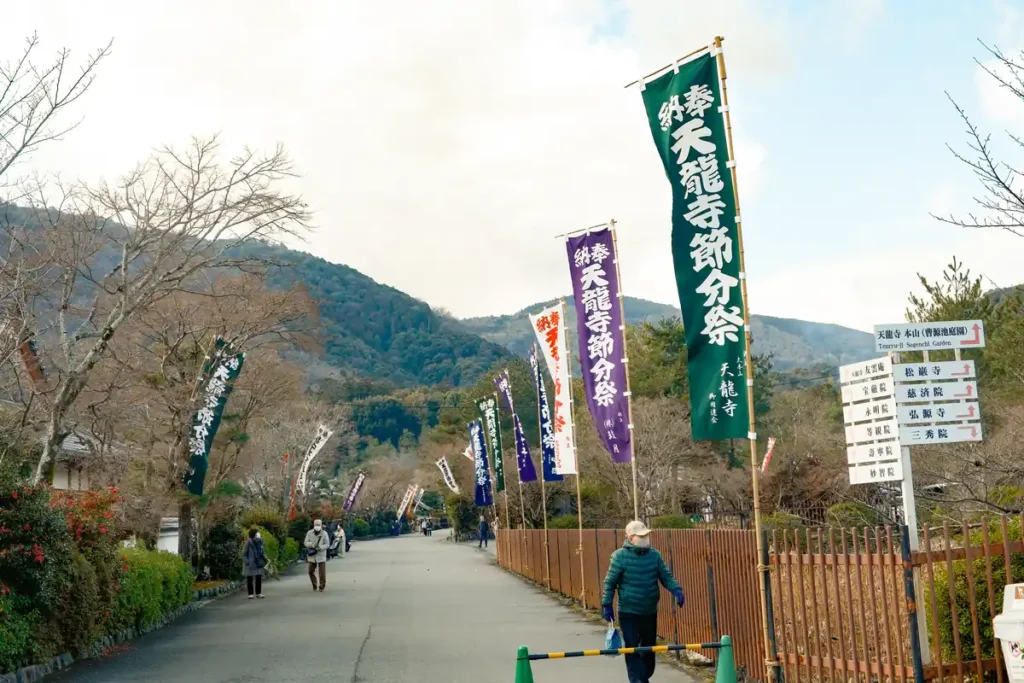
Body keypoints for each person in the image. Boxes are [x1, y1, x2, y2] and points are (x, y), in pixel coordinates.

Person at [601, 520, 685, 683]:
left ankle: (643, 676)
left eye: (646, 535)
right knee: (632, 649)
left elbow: (665, 576)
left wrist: (676, 590)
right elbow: (610, 582)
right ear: (630, 538)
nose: (645, 538)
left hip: (649, 611)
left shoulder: (655, 555)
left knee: (648, 650)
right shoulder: (619, 556)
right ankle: (637, 680)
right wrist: (607, 604)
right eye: (641, 535)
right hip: (628, 612)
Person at [304, 519, 329, 591]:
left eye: (319, 525)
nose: (317, 526)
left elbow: (327, 544)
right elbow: (305, 542)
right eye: (316, 525)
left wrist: (321, 547)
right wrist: (311, 545)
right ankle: (314, 584)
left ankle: (322, 586)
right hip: (312, 555)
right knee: (310, 571)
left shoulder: (324, 533)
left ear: (321, 525)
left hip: (321, 554)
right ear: (314, 525)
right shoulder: (309, 533)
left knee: (322, 573)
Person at [243, 528, 267, 599]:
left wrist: (266, 558)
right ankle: (250, 594)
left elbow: (262, 552)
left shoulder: (260, 541)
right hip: (250, 563)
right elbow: (244, 553)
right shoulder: (248, 542)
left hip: (258, 562)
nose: (259, 534)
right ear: (253, 534)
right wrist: (247, 562)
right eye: (257, 533)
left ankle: (258, 593)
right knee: (250, 578)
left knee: (259, 578)